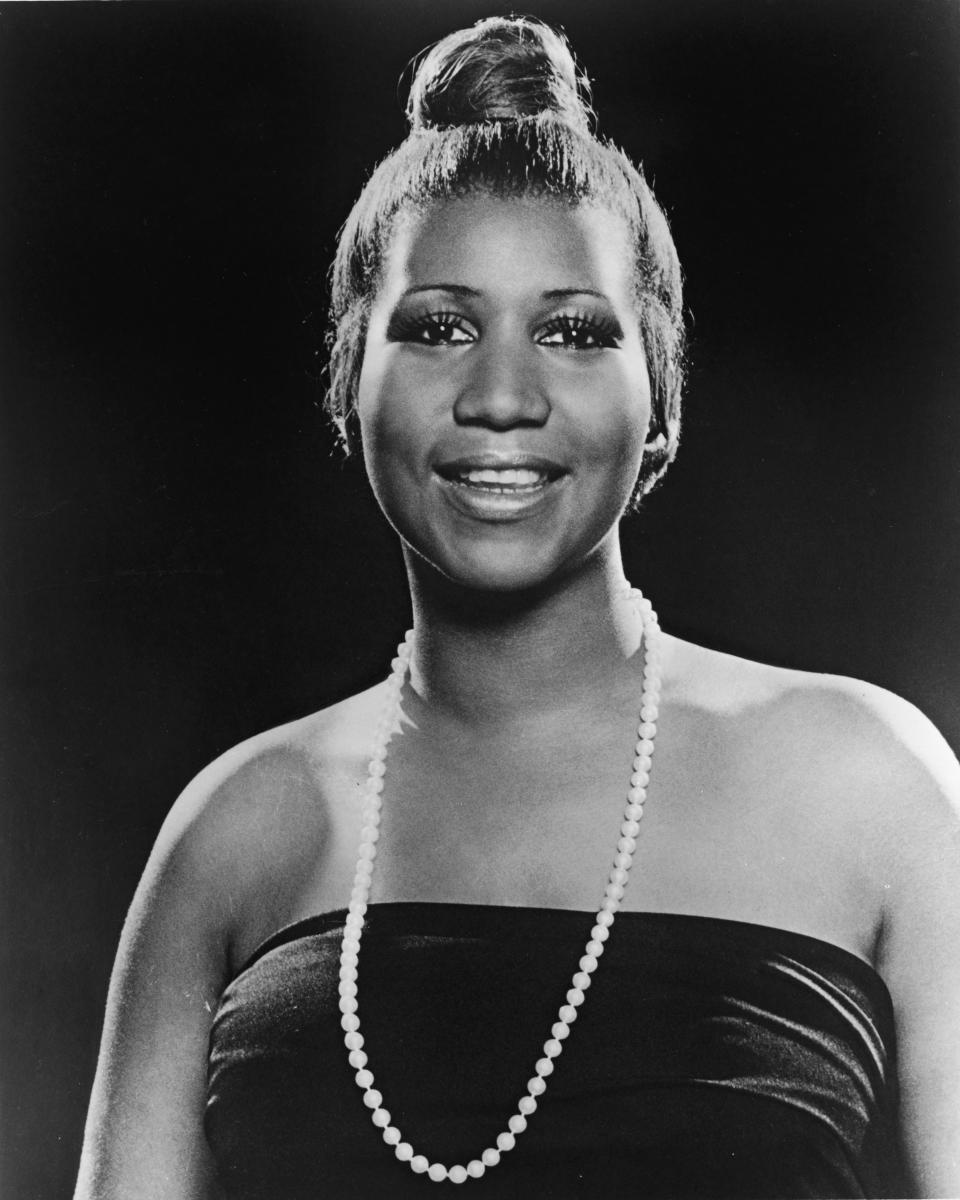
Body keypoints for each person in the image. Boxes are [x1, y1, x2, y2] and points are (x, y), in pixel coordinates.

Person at [75, 16, 960, 1199]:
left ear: (662, 401)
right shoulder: (238, 834)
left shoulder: (868, 785)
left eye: (574, 332)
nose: (501, 394)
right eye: (439, 327)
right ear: (350, 384)